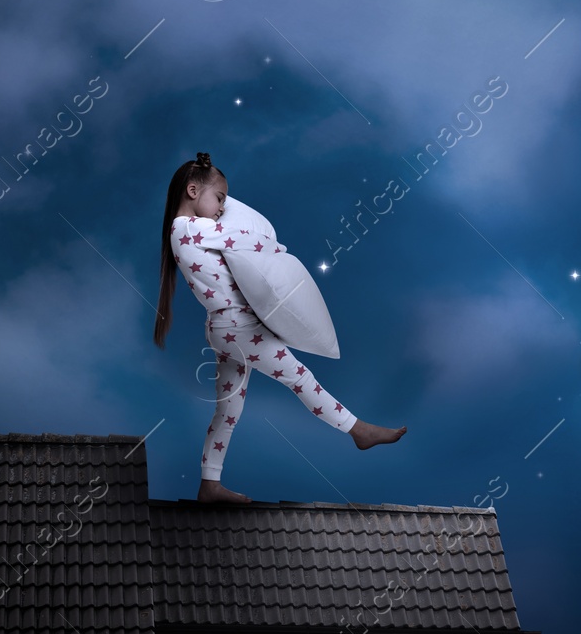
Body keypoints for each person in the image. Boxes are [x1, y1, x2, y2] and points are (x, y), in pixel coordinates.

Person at [154, 152, 406, 503]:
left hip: (222, 328)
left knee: (228, 408)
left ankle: (209, 483)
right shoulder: (191, 228)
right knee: (299, 376)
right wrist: (276, 247)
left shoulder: (182, 231)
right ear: (193, 191)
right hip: (238, 327)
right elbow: (250, 240)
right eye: (220, 198)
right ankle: (358, 430)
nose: (224, 208)